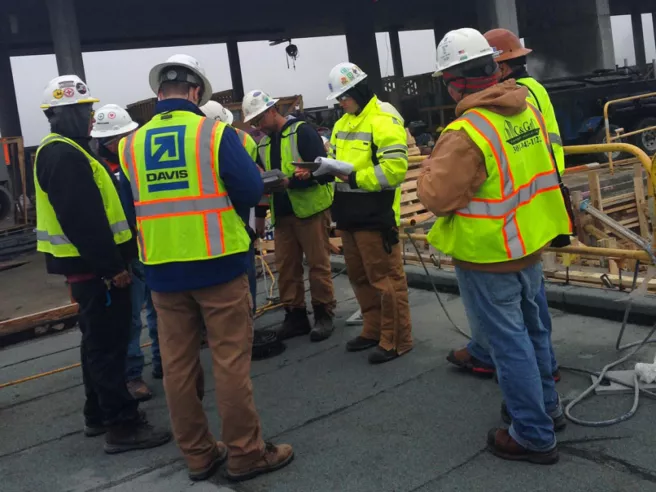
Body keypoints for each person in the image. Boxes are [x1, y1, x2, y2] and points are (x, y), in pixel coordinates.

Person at [118, 54, 293, 482]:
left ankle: (198, 455)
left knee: (178, 368)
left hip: (162, 272)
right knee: (230, 362)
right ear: (196, 92)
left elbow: (130, 209)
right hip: (218, 267)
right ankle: (245, 454)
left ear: (159, 93)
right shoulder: (213, 133)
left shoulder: (130, 145)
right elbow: (251, 189)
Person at [418, 28, 572, 464]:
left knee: (510, 345)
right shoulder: (527, 112)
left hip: (490, 256)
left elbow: (437, 197)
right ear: (491, 68)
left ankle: (533, 435)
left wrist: (433, 164)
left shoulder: (466, 131)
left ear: (456, 80)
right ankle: (548, 408)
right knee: (535, 331)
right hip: (529, 243)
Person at [34, 75, 171, 453]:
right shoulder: (63, 154)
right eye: (81, 111)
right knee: (108, 347)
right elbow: (84, 220)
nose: (89, 116)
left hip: (90, 269)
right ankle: (122, 425)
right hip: (97, 271)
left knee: (96, 342)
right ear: (56, 115)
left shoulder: (68, 150)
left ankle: (98, 413)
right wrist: (113, 268)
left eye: (88, 108)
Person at [446, 28, 565, 382]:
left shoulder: (517, 98)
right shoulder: (523, 95)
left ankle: (534, 392)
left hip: (520, 205)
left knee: (522, 312)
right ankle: (541, 373)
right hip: (535, 200)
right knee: (529, 299)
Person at [325, 62, 413, 364]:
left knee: (386, 280)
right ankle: (373, 329)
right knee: (360, 277)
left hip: (375, 215)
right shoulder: (342, 123)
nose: (340, 103)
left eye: (343, 97)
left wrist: (354, 178)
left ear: (358, 90)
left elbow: (394, 169)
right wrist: (320, 170)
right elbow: (335, 162)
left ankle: (397, 340)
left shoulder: (384, 118)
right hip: (349, 215)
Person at [242, 89, 336, 342]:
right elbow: (262, 181)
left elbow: (326, 171)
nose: (257, 126)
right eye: (253, 122)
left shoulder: (302, 132)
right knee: (286, 267)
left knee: (318, 265)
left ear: (272, 111)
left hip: (311, 210)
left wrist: (293, 182)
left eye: (259, 120)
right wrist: (260, 217)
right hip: (283, 214)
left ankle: (323, 313)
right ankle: (295, 317)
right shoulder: (262, 143)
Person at [91, 104, 162, 401]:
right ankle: (132, 375)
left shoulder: (132, 164)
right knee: (132, 318)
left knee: (160, 310)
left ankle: (164, 362)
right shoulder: (101, 173)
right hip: (128, 256)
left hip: (150, 247)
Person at [201, 100, 258, 313]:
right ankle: (244, 317)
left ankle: (246, 315)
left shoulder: (243, 140)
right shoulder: (239, 139)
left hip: (230, 215)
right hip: (227, 216)